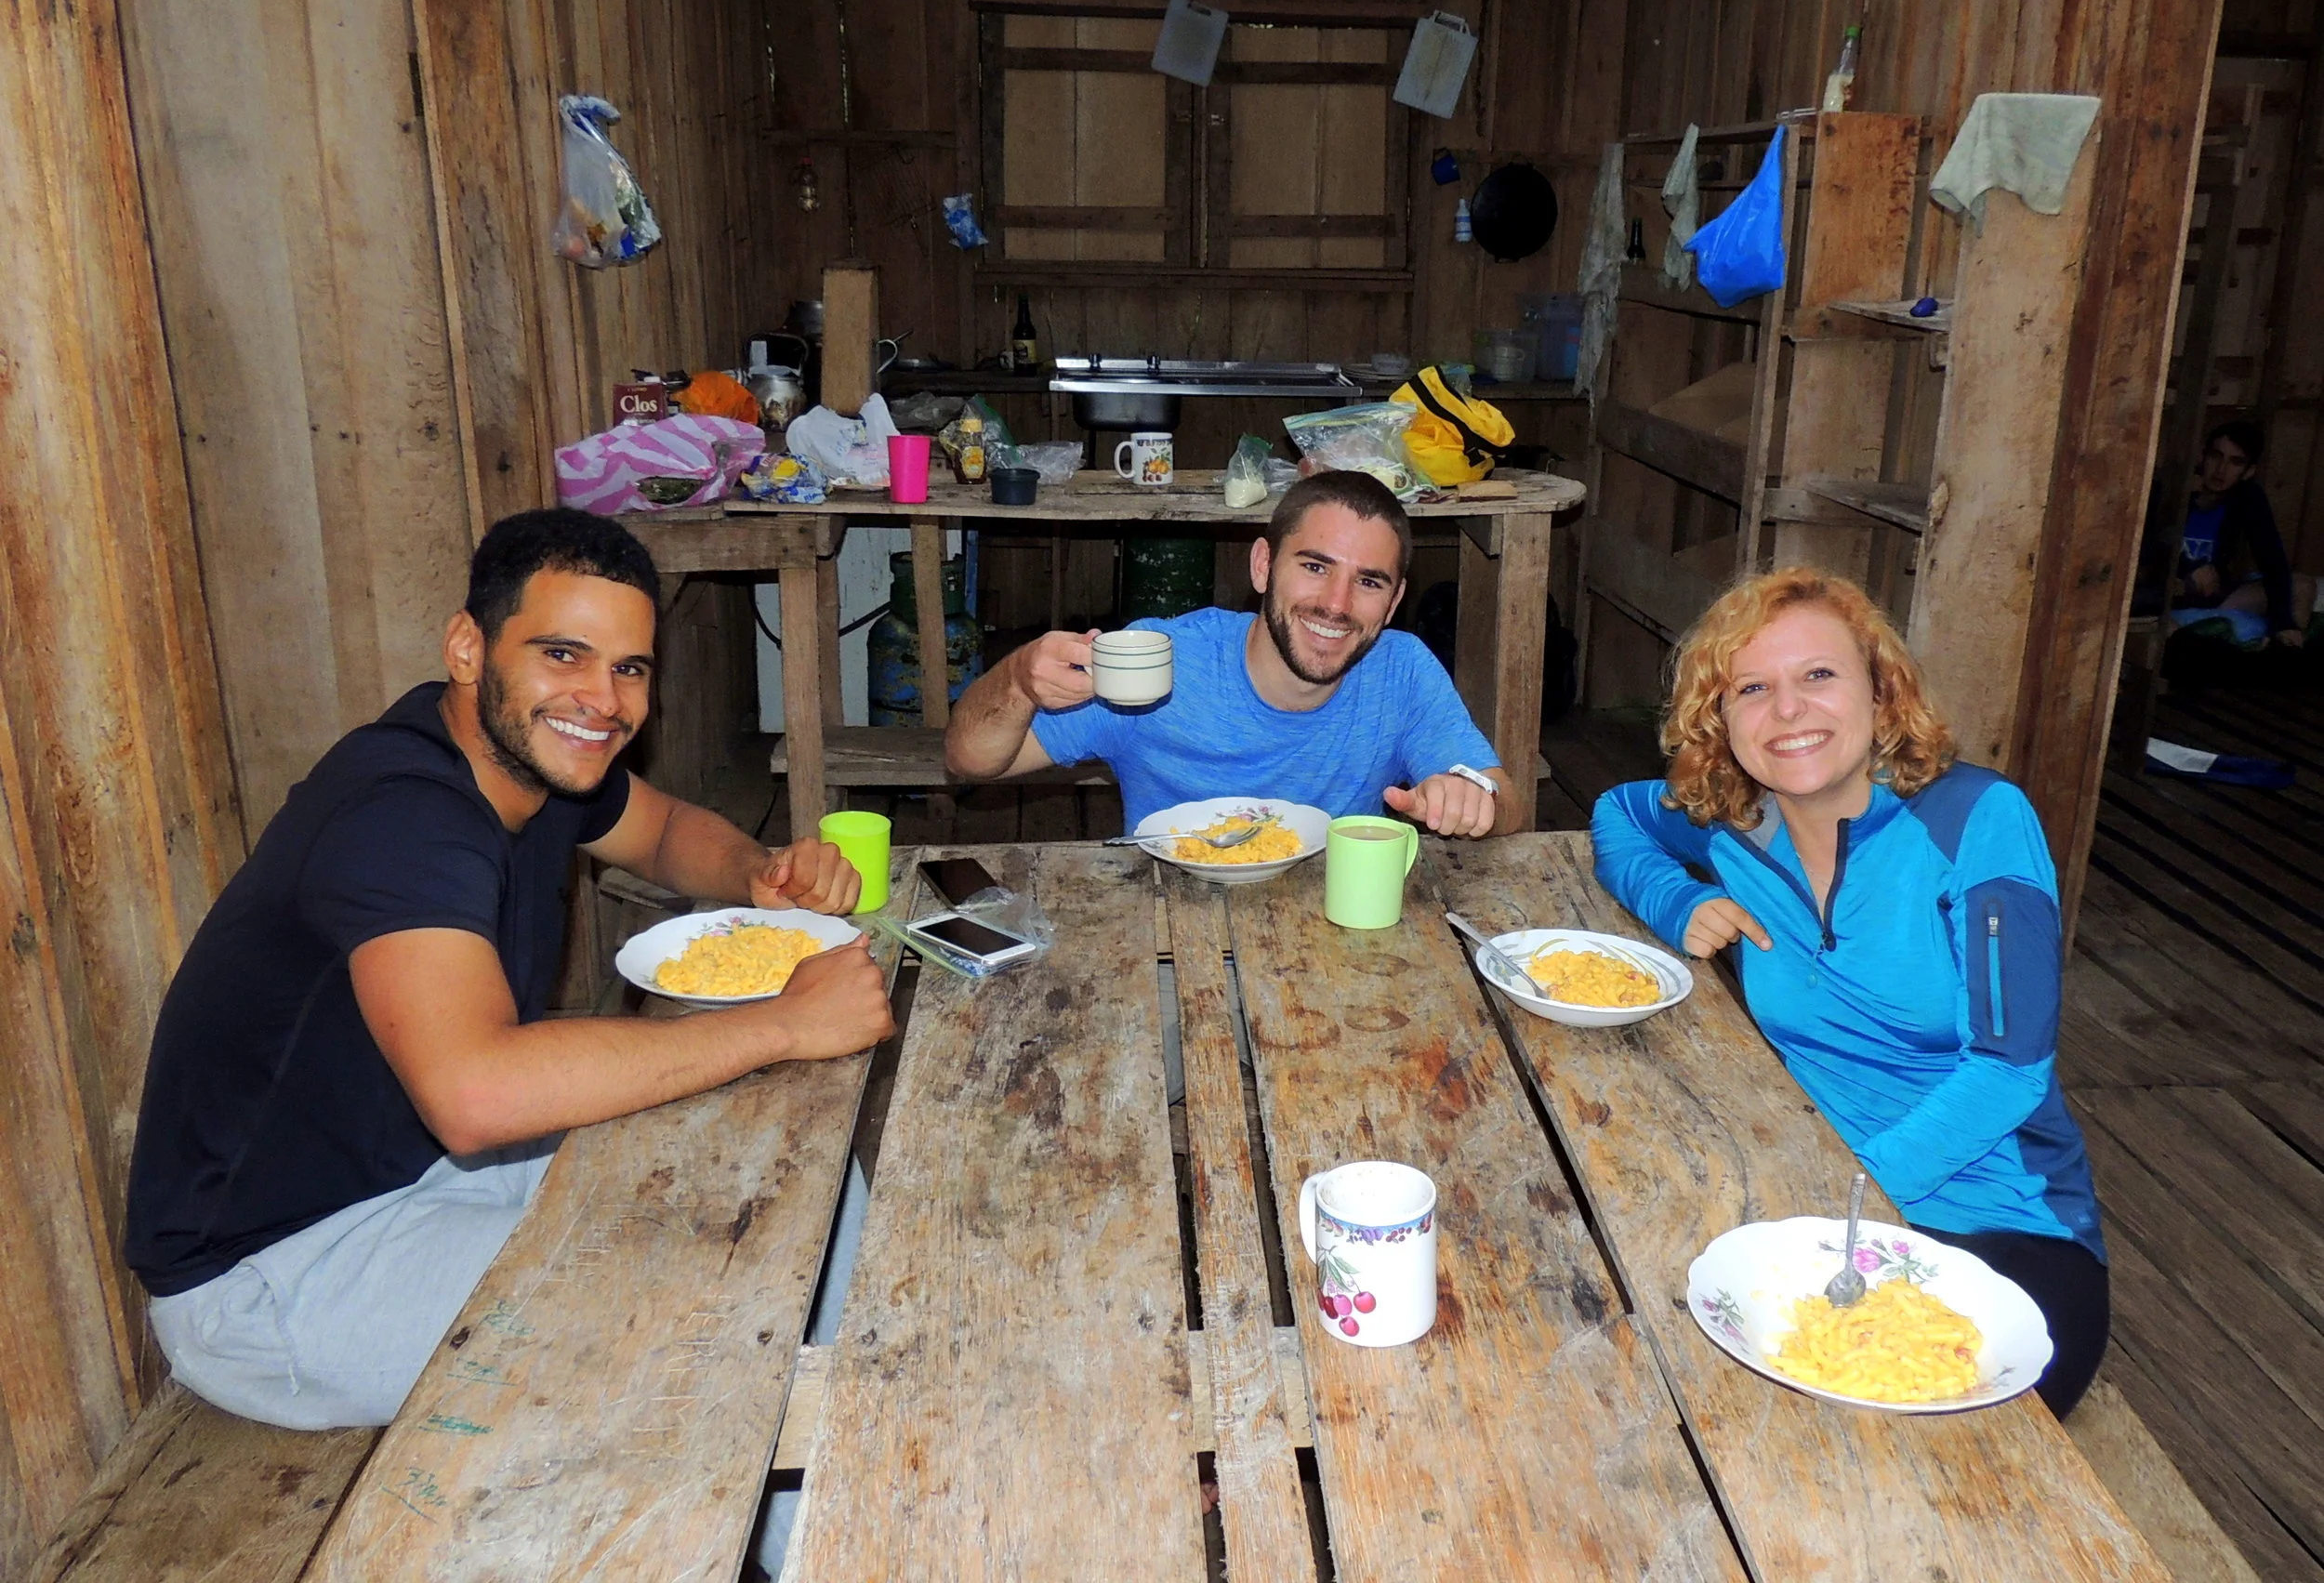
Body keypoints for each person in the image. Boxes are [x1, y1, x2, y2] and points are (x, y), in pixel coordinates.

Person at [125, 508, 895, 1430]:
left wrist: (757, 872)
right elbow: (478, 1093)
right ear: (467, 647)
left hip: (434, 1168)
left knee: (780, 1154)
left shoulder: (532, 758)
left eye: (628, 668)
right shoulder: (403, 818)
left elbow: (660, 829)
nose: (601, 700)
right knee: (711, 1314)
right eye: (562, 654)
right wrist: (786, 1022)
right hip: (279, 1275)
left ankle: (866, 1391)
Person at [1590, 568, 2108, 1418]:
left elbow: (2010, 1073)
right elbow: (1618, 813)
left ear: (1881, 691)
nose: (1788, 711)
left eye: (1818, 676)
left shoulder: (1974, 821)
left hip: (1996, 1219)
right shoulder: (1735, 821)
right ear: (1720, 722)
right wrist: (1679, 900)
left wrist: (1849, 1193)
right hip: (1801, 1183)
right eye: (1751, 688)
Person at [943, 471, 1516, 838]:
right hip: (1166, 938)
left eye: (1368, 583)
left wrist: (1474, 795)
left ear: (1392, 604)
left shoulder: (1402, 670)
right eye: (1315, 567)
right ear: (1263, 566)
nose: (1336, 604)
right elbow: (969, 759)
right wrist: (1018, 679)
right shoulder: (1159, 662)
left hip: (1334, 942)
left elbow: (1508, 805)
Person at [2140, 420, 2304, 647]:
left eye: (2235, 462)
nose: (2221, 470)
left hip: (2214, 596)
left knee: (2301, 587)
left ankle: (2279, 656)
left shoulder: (2247, 498)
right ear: (2202, 456)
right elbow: (2144, 546)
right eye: (2216, 457)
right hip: (2165, 593)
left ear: (2249, 471)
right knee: (2166, 626)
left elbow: (2272, 559)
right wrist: (2186, 567)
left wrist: (2284, 623)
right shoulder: (2171, 489)